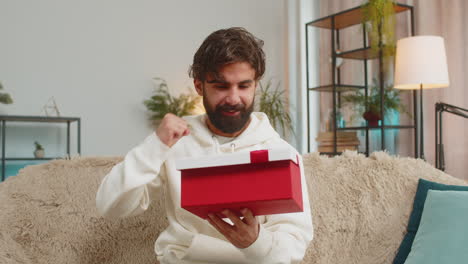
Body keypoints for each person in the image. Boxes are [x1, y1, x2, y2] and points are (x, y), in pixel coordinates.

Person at [96, 27, 313, 264]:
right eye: (221, 86)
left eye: (243, 86)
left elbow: (295, 242)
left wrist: (255, 243)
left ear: (255, 85)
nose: (233, 98)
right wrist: (155, 145)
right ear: (199, 86)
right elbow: (111, 206)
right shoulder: (173, 144)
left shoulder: (281, 153)